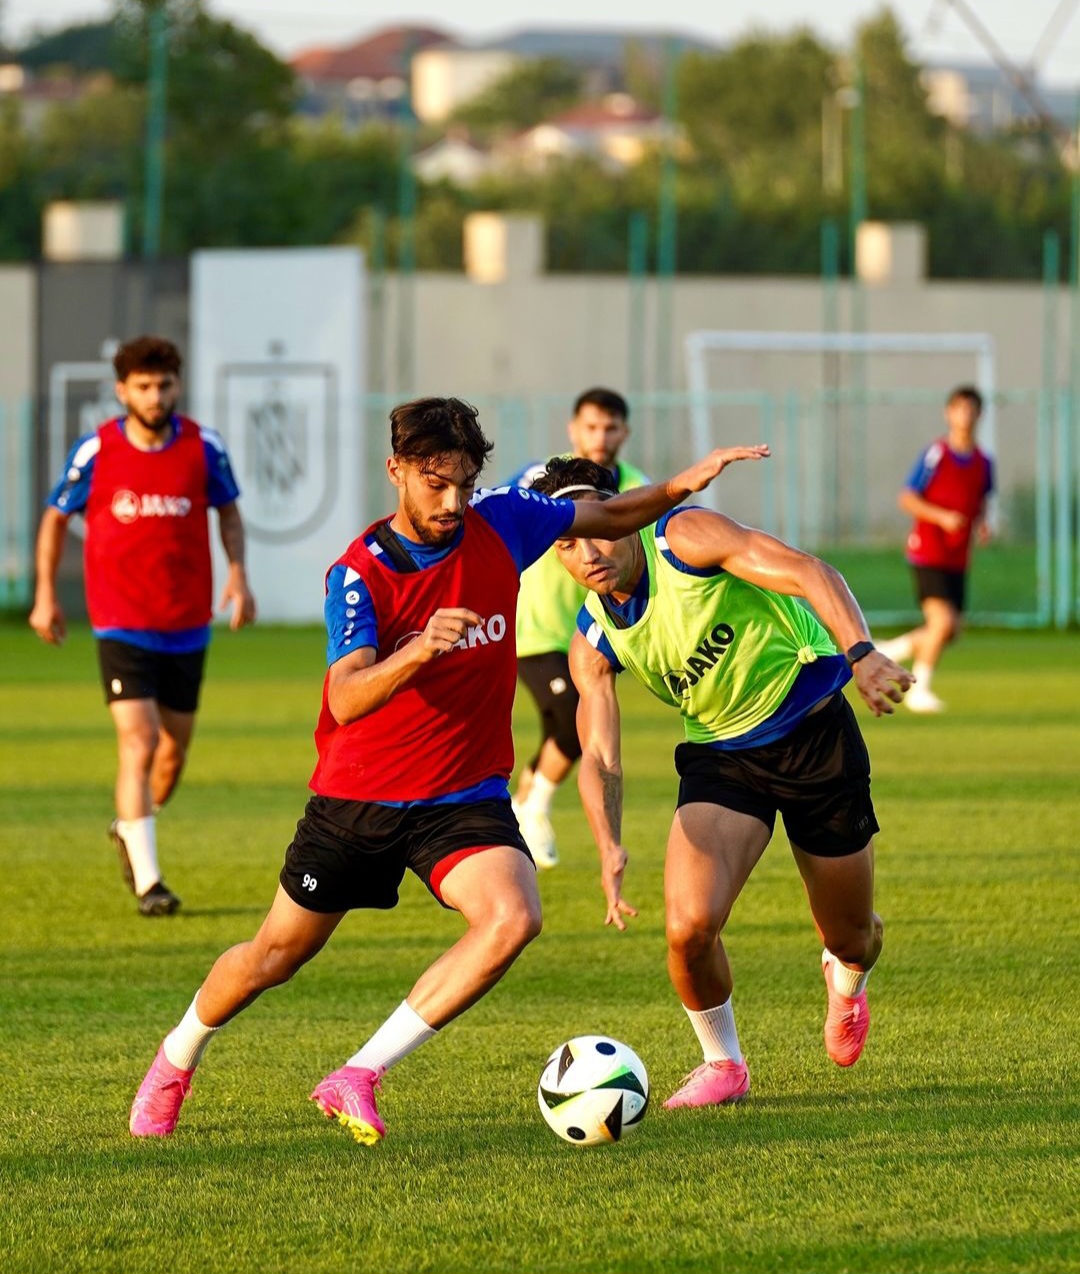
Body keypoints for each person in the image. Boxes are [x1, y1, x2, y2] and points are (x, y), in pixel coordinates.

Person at [127, 396, 768, 1143]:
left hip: (463, 795)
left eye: (464, 481)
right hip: (358, 797)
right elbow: (347, 692)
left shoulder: (501, 520)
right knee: (273, 956)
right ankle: (177, 1056)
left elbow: (613, 516)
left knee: (514, 915)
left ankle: (359, 1072)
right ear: (396, 469)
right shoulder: (359, 573)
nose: (453, 501)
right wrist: (422, 648)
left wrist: (688, 480)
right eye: (435, 483)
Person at [529, 455, 913, 1110]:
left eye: (598, 527)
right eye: (568, 543)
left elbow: (808, 571)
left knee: (852, 934)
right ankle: (723, 1063)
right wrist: (609, 845)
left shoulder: (683, 540)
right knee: (688, 926)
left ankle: (846, 980)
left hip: (814, 733)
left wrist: (861, 651)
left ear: (622, 512)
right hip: (723, 761)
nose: (589, 551)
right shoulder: (593, 640)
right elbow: (600, 755)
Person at [29, 335, 256, 916]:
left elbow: (228, 513)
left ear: (176, 386)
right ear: (122, 390)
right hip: (120, 622)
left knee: (172, 756)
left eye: (164, 385)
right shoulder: (97, 451)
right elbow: (56, 520)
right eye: (144, 386)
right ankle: (151, 884)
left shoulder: (204, 446)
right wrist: (46, 595)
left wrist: (237, 574)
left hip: (186, 623)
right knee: (140, 740)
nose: (155, 396)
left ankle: (129, 829)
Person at [509, 388, 649, 869]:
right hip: (532, 630)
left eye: (610, 427)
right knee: (573, 721)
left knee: (563, 730)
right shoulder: (544, 479)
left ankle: (521, 802)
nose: (600, 436)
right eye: (591, 426)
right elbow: (496, 515)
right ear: (573, 430)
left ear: (624, 433)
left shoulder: (634, 487)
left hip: (593, 633)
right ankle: (532, 811)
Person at [877, 385, 994, 713]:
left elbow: (980, 500)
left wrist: (982, 523)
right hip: (928, 551)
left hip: (958, 557)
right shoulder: (937, 454)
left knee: (950, 630)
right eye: (960, 409)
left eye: (972, 409)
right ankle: (918, 690)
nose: (966, 416)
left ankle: (890, 649)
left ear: (979, 415)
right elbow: (907, 497)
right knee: (941, 624)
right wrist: (942, 517)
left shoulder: (984, 462)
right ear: (949, 413)